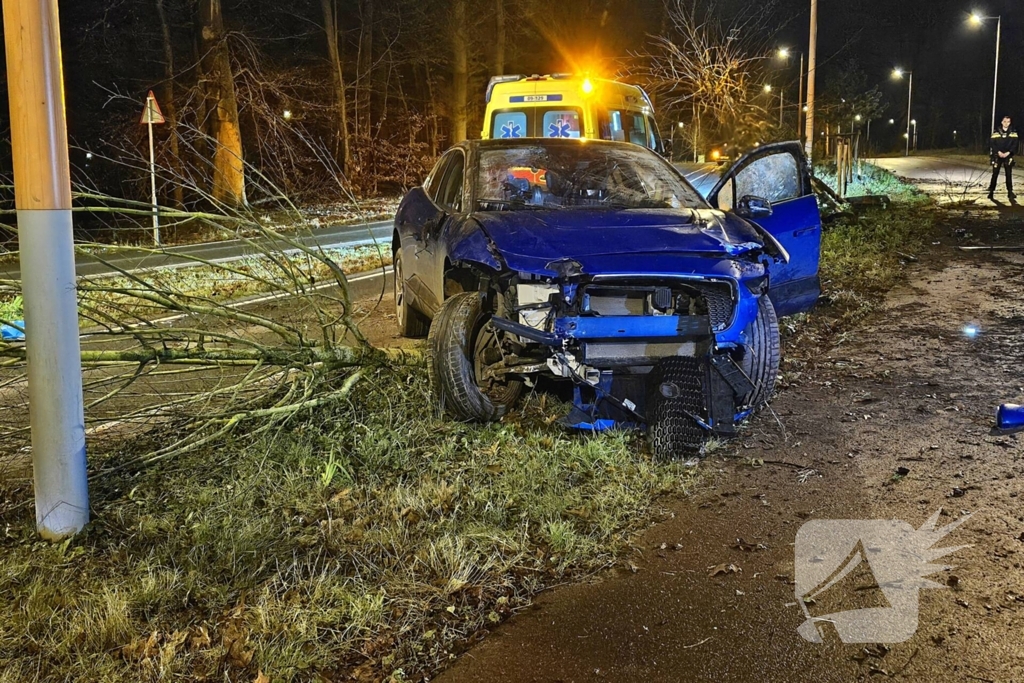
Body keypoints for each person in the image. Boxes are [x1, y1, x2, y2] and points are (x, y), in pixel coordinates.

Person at [988, 115, 1018, 200]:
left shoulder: (1013, 132)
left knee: (1008, 174)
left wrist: (1008, 153)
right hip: (998, 155)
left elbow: (1015, 144)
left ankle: (1010, 192)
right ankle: (991, 192)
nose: (1006, 123)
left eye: (1008, 122)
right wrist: (998, 152)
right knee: (995, 174)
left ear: (1010, 122)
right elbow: (992, 144)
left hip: (1008, 156)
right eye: (1004, 121)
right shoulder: (996, 132)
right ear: (1002, 122)